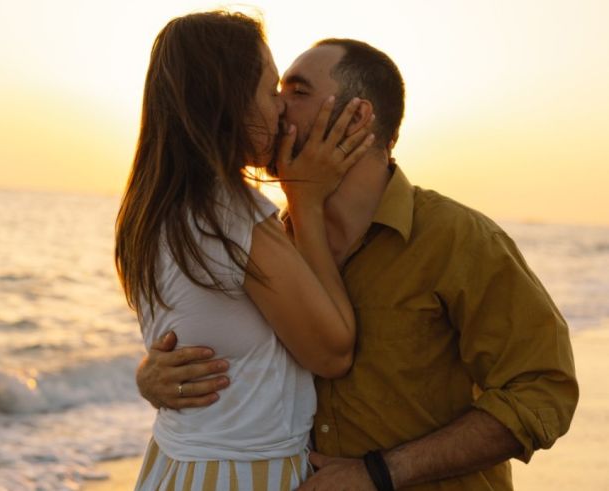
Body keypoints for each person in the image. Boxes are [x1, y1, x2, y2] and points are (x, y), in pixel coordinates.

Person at [136, 39, 578, 491]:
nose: (276, 106)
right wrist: (152, 376)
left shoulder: (457, 239)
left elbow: (544, 390)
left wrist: (382, 472)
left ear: (357, 118)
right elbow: (233, 349)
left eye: (298, 92)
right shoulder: (269, 239)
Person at [115, 12, 378, 491]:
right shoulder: (231, 217)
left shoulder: (153, 207)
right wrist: (306, 202)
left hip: (175, 465)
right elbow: (334, 351)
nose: (280, 107)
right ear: (229, 101)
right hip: (239, 476)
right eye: (269, 89)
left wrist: (145, 375)